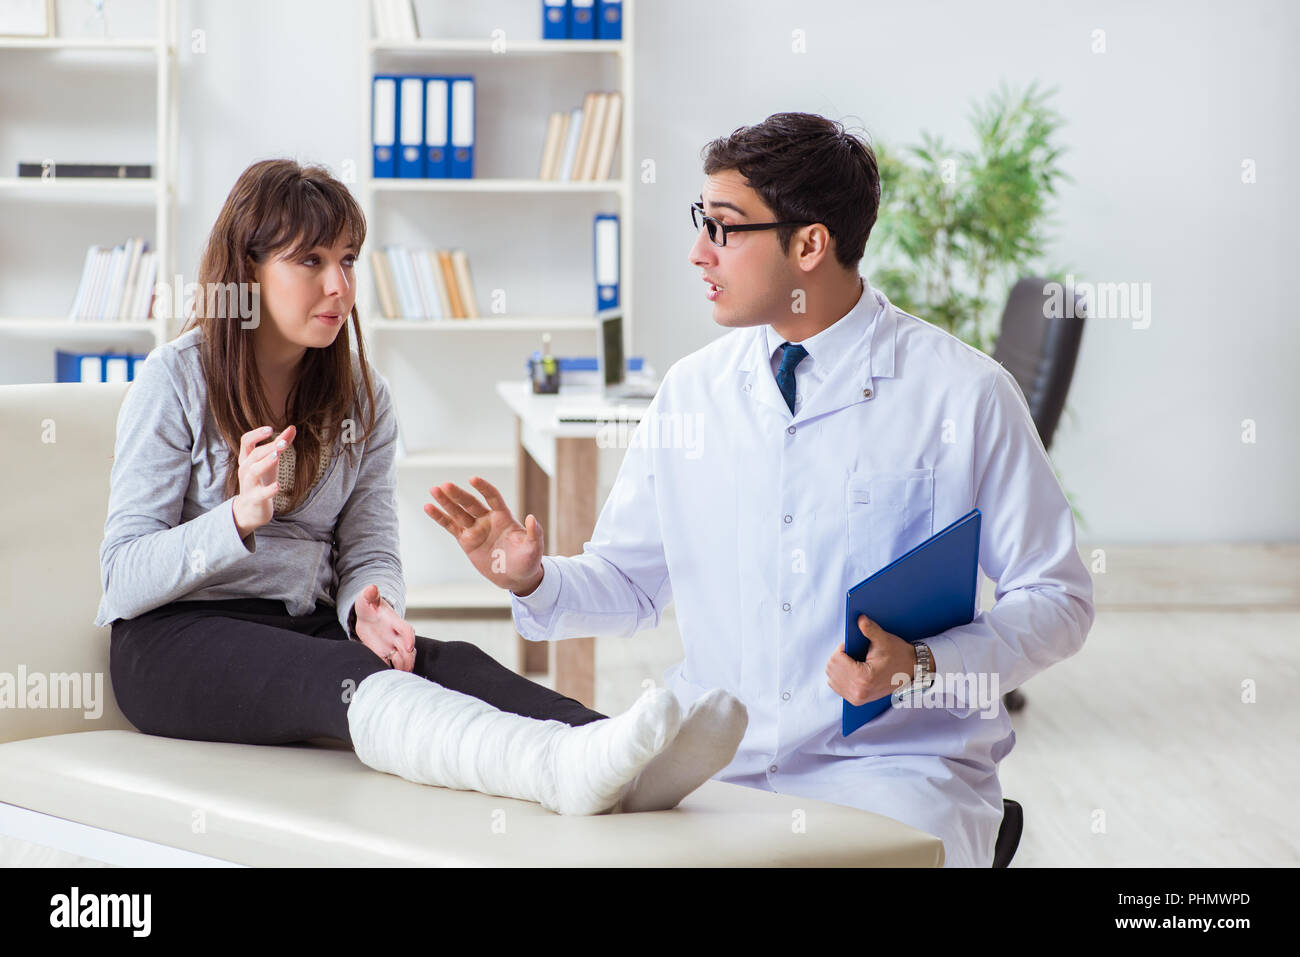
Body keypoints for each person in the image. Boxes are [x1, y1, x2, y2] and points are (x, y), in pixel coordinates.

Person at [424, 113, 1095, 864]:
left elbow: (1059, 597)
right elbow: (629, 582)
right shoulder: (692, 395)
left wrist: (921, 666)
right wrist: (535, 577)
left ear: (809, 244)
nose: (697, 252)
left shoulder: (964, 396)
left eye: (725, 229)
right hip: (717, 766)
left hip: (894, 769)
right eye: (700, 222)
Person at [95, 158, 748, 817]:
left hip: (304, 628)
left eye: (348, 260)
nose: (339, 286)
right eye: (311, 262)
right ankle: (554, 768)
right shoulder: (174, 379)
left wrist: (367, 610)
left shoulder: (362, 396)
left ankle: (617, 747)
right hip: (172, 642)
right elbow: (121, 576)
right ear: (249, 270)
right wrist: (235, 517)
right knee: (346, 677)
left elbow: (370, 550)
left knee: (450, 660)